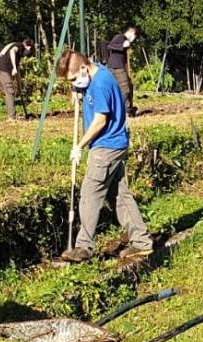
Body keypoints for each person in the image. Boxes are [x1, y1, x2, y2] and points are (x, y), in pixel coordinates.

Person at [57, 49, 153, 263]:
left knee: (90, 193)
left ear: (83, 68)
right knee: (119, 195)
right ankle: (142, 241)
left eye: (73, 79)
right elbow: (88, 92)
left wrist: (80, 145)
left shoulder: (99, 84)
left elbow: (100, 120)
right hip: (117, 143)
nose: (73, 83)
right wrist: (77, 91)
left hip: (105, 147)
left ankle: (83, 247)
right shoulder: (99, 73)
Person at [0, 38, 34, 120]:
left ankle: (11, 115)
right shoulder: (20, 45)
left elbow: (17, 69)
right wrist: (14, 67)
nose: (27, 55)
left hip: (0, 68)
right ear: (28, 46)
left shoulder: (19, 52)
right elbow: (12, 51)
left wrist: (20, 84)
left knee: (8, 92)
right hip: (2, 69)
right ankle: (12, 117)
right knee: (9, 91)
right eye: (29, 50)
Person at [106, 25, 138, 117]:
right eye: (135, 35)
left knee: (129, 86)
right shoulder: (120, 37)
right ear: (131, 32)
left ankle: (129, 110)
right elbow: (110, 46)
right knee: (125, 89)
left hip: (120, 67)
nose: (134, 38)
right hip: (117, 68)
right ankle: (122, 110)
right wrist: (122, 46)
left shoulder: (126, 40)